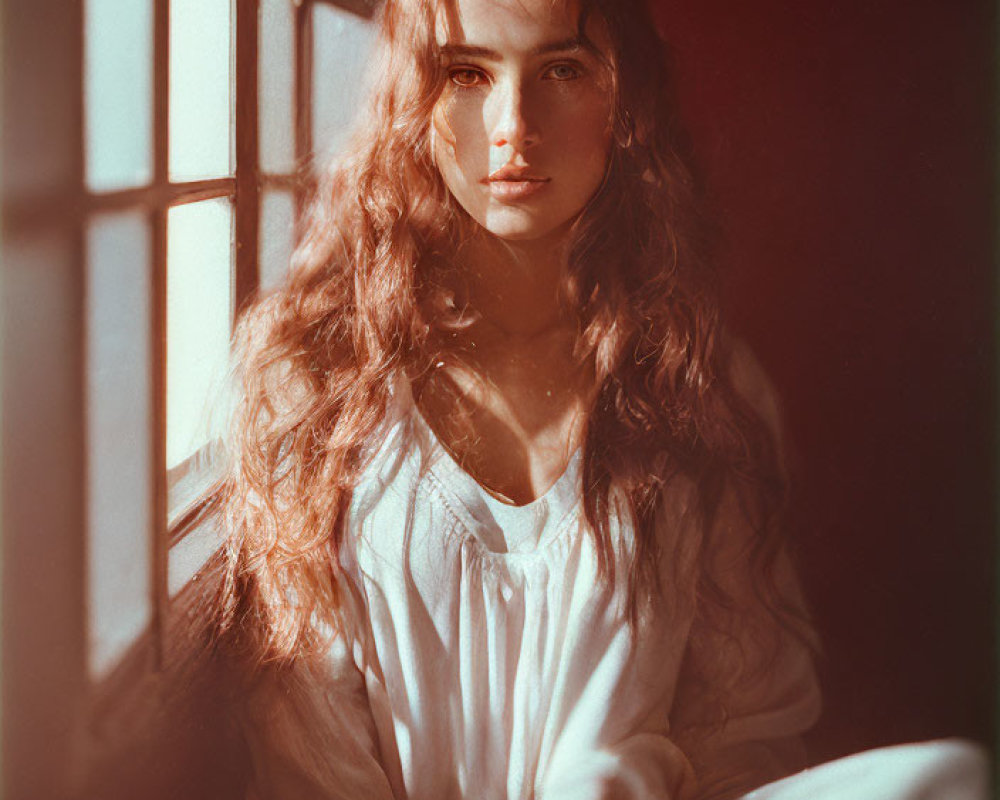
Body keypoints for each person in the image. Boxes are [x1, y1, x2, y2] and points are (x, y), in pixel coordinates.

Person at [213, 1, 987, 798]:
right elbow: (308, 762)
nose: (514, 124)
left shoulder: (695, 382)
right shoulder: (313, 379)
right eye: (467, 73)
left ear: (626, 101)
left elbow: (746, 729)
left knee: (952, 777)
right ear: (414, 97)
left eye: (561, 71)